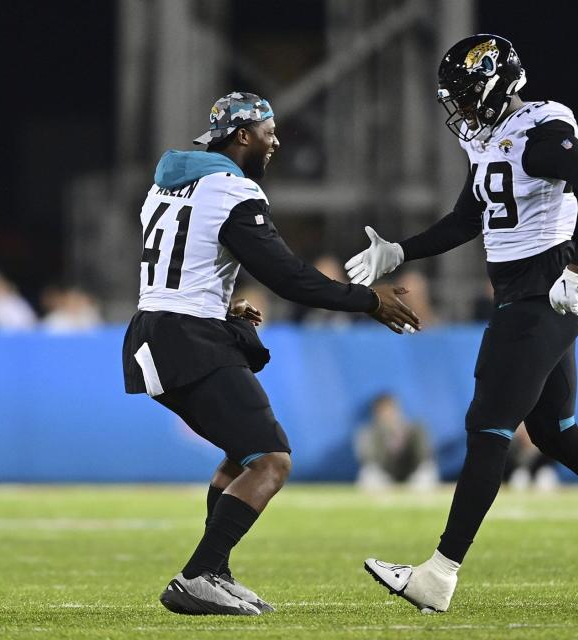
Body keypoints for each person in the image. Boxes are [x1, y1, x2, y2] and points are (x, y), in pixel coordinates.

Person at [349, 35, 578, 613]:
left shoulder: (539, 139)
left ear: (496, 88)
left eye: (467, 98)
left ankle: (439, 575)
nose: (461, 112)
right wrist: (400, 251)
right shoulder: (494, 140)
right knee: (554, 433)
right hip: (527, 296)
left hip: (541, 296)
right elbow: (468, 218)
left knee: (488, 429)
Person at [121, 91, 421, 616]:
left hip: (159, 328)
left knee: (245, 454)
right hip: (185, 337)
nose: (276, 142)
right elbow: (288, 277)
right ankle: (197, 575)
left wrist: (220, 303)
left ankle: (214, 571)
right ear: (243, 135)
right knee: (272, 461)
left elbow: (175, 267)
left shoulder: (164, 186)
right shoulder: (232, 190)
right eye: (268, 132)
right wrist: (367, 299)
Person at [354, 392, 439, 490]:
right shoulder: (368, 432)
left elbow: (426, 454)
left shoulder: (415, 429)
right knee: (368, 474)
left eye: (390, 410)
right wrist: (385, 436)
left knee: (427, 469)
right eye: (383, 411)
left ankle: (422, 501)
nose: (387, 415)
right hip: (383, 479)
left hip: (413, 477)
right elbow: (367, 459)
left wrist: (403, 437)